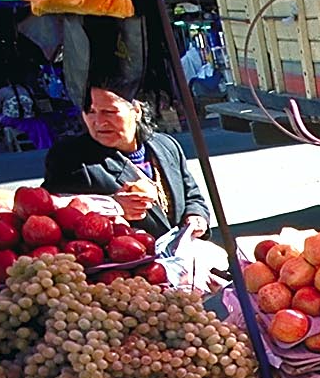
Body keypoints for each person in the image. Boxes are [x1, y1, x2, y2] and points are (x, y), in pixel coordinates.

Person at [42, 81, 211, 257]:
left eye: (109, 112)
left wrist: (196, 217)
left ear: (136, 110)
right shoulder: (71, 158)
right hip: (124, 272)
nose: (99, 122)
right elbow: (53, 212)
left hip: (184, 262)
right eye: (90, 112)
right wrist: (112, 206)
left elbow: (192, 195)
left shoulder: (166, 146)